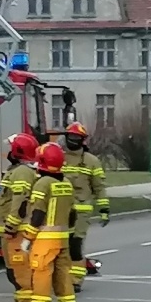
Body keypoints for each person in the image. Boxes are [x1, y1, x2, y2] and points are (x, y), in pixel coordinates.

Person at [19, 141, 78, 302]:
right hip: (62, 238)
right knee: (63, 277)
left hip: (44, 240)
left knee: (41, 276)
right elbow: (73, 214)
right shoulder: (66, 183)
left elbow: (38, 214)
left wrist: (28, 238)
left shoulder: (42, 183)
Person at [0, 133, 39, 302]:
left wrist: (11, 225)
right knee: (14, 272)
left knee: (21, 272)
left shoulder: (21, 172)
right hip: (13, 230)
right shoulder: (18, 170)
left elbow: (20, 201)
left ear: (17, 151)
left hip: (17, 231)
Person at [62, 121, 109, 289]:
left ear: (82, 140)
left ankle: (76, 280)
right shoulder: (58, 157)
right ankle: (62, 278)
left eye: (76, 137)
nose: (72, 140)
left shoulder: (91, 161)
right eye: (70, 136)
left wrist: (104, 209)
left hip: (81, 211)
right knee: (61, 246)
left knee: (75, 245)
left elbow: (99, 186)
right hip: (60, 210)